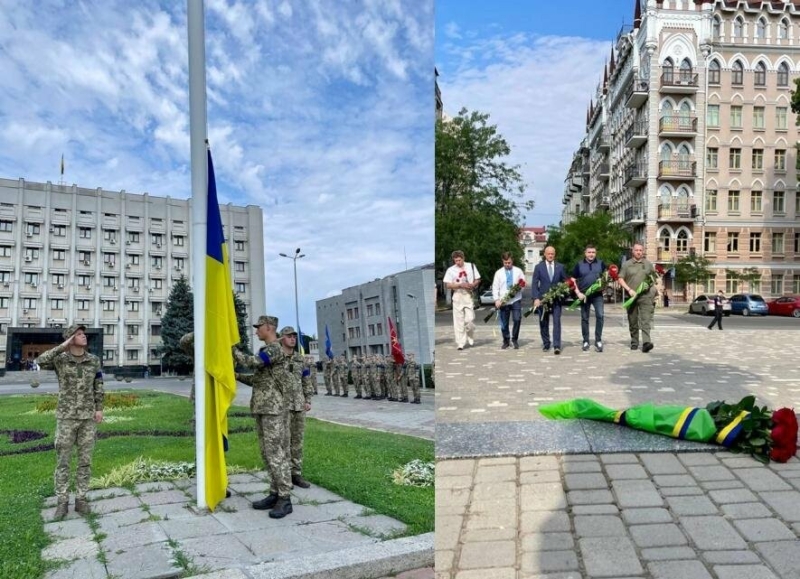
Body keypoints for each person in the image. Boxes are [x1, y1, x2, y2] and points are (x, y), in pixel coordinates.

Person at [37, 324, 104, 520]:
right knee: (63, 462)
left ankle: (81, 500)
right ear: (70, 339)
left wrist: (99, 408)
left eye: (84, 334)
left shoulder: (93, 361)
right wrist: (62, 346)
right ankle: (62, 502)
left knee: (85, 461)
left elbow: (98, 385)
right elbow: (40, 361)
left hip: (87, 418)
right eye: (79, 334)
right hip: (66, 418)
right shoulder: (60, 360)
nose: (84, 337)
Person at [232, 315, 293, 519]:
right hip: (262, 408)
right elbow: (258, 381)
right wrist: (237, 376)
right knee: (267, 453)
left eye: (259, 327)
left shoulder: (275, 349)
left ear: (269, 328)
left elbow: (254, 362)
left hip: (274, 409)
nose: (256, 331)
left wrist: (232, 350)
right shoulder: (265, 350)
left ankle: (285, 498)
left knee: (276, 453)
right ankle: (275, 493)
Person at [278, 327, 313, 489]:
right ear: (281, 338)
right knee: (284, 441)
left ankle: (296, 474)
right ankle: (284, 476)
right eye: (289, 336)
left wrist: (308, 399)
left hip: (299, 405)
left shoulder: (301, 359)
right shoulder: (277, 357)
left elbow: (306, 380)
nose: (292, 339)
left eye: (294, 336)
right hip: (282, 405)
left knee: (297, 441)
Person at [618, 243, 657, 352]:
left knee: (645, 320)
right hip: (631, 297)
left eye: (641, 250)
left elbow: (653, 278)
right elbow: (620, 279)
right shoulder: (626, 265)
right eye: (636, 250)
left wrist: (652, 286)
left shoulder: (648, 264)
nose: (639, 252)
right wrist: (629, 290)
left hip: (645, 296)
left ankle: (646, 343)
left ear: (643, 251)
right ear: (632, 251)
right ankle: (634, 341)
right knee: (633, 321)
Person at [532, 246, 567, 355]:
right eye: (548, 254)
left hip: (556, 300)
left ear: (554, 254)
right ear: (545, 254)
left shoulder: (560, 267)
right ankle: (546, 344)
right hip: (543, 300)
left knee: (557, 322)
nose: (550, 255)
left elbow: (565, 282)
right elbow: (534, 283)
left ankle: (557, 346)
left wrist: (564, 293)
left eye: (552, 253)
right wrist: (536, 298)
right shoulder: (538, 267)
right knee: (543, 322)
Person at [443, 250, 480, 350]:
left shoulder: (471, 266)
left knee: (470, 319)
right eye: (455, 261)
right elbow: (448, 284)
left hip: (468, 295)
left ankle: (470, 335)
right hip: (458, 295)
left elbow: (478, 279)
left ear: (463, 258)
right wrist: (459, 285)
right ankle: (460, 343)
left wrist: (473, 284)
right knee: (458, 321)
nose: (457, 262)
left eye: (459, 260)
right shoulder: (451, 270)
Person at [573, 244, 607, 352]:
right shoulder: (579, 265)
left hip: (597, 295)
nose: (591, 254)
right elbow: (572, 280)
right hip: (584, 295)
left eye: (593, 252)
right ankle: (586, 341)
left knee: (600, 316)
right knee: (584, 318)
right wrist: (578, 292)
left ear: (595, 253)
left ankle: (598, 340)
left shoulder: (601, 263)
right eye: (589, 252)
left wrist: (604, 287)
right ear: (585, 253)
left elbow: (606, 277)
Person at [491, 252, 525, 349]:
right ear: (503, 261)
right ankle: (506, 340)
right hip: (503, 301)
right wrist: (497, 300)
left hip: (516, 300)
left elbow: (523, 284)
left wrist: (518, 289)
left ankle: (515, 339)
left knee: (517, 319)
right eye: (505, 263)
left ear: (512, 261)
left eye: (509, 262)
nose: (507, 264)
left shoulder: (518, 271)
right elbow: (495, 287)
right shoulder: (498, 273)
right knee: (504, 323)